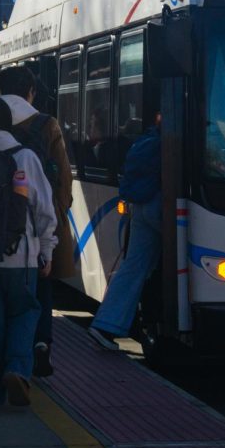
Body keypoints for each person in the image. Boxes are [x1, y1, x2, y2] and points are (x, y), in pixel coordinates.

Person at [0, 96, 57, 409]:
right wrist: (46, 249)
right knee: (25, 312)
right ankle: (17, 370)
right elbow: (44, 209)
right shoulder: (26, 157)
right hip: (20, 253)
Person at [0, 65, 74, 377]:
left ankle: (5, 351)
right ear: (31, 92)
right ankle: (41, 344)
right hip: (38, 217)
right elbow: (63, 177)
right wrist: (59, 212)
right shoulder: (46, 124)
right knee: (42, 286)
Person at [90, 116, 162, 350]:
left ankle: (106, 324)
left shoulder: (148, 139)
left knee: (134, 266)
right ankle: (156, 318)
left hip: (140, 205)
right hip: (160, 205)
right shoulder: (172, 139)